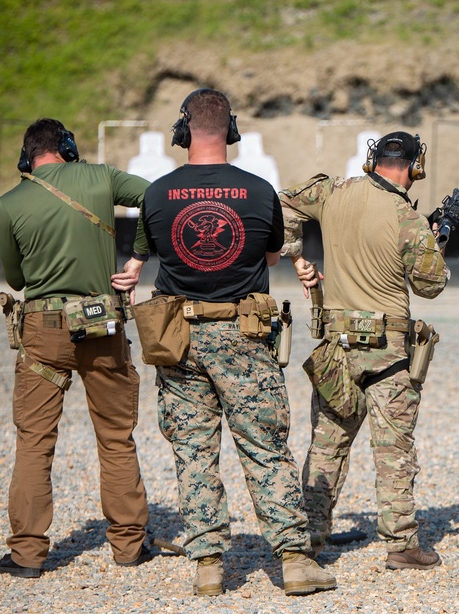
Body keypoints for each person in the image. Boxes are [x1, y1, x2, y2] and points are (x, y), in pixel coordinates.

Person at [138, 89, 335, 597]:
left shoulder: (156, 194)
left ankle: (208, 564)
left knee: (194, 448)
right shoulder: (259, 190)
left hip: (177, 333)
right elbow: (270, 260)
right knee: (265, 444)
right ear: (231, 129)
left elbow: (157, 253)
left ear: (183, 131)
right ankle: (293, 561)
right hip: (244, 334)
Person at [279, 131, 449, 570]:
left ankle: (308, 539)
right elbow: (431, 285)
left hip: (336, 348)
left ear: (374, 161)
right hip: (388, 353)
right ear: (415, 167)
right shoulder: (405, 217)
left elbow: (281, 206)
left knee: (327, 444)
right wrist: (435, 242)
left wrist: (297, 258)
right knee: (393, 449)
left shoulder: (331, 192)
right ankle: (401, 544)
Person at [0, 118, 152, 578]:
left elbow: (16, 280)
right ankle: (127, 546)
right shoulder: (101, 177)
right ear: (67, 147)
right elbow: (153, 197)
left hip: (43, 329)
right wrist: (137, 257)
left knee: (34, 443)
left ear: (27, 157)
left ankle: (26, 554)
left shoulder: (7, 205)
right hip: (102, 324)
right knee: (116, 437)